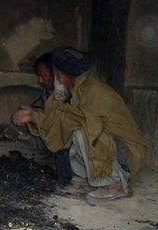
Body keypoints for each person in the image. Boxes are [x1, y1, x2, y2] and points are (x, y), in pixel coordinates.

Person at [13, 46, 147, 203]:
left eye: (58, 76)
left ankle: (116, 183)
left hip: (127, 155)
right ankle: (92, 178)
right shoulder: (79, 89)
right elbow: (57, 115)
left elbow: (79, 120)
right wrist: (33, 115)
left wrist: (36, 117)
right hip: (111, 147)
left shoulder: (96, 91)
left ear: (69, 76)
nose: (57, 81)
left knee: (81, 131)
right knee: (71, 130)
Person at [31, 53, 73, 187]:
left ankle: (66, 179)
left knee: (61, 134)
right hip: (62, 138)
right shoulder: (50, 93)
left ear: (55, 73)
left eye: (42, 76)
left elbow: (60, 120)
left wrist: (34, 116)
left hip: (74, 140)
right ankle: (47, 158)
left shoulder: (68, 90)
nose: (40, 81)